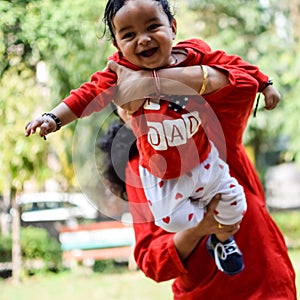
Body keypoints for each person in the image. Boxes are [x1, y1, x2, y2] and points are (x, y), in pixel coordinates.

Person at [25, 0, 280, 275]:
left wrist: (265, 84)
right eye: (129, 35)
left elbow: (236, 68)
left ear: (172, 27)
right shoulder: (118, 75)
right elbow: (86, 94)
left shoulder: (195, 55)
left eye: (152, 27)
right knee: (171, 219)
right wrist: (53, 117)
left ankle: (222, 241)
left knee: (236, 202)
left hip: (205, 160)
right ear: (117, 45)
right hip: (166, 176)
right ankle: (212, 233)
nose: (143, 39)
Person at [99, 64, 297, 299]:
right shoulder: (139, 168)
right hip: (206, 292)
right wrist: (203, 227)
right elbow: (152, 261)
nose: (142, 105)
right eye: (128, 103)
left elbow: (244, 82)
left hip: (269, 283)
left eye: (150, 95)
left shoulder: (214, 128)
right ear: (124, 118)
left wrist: (157, 78)